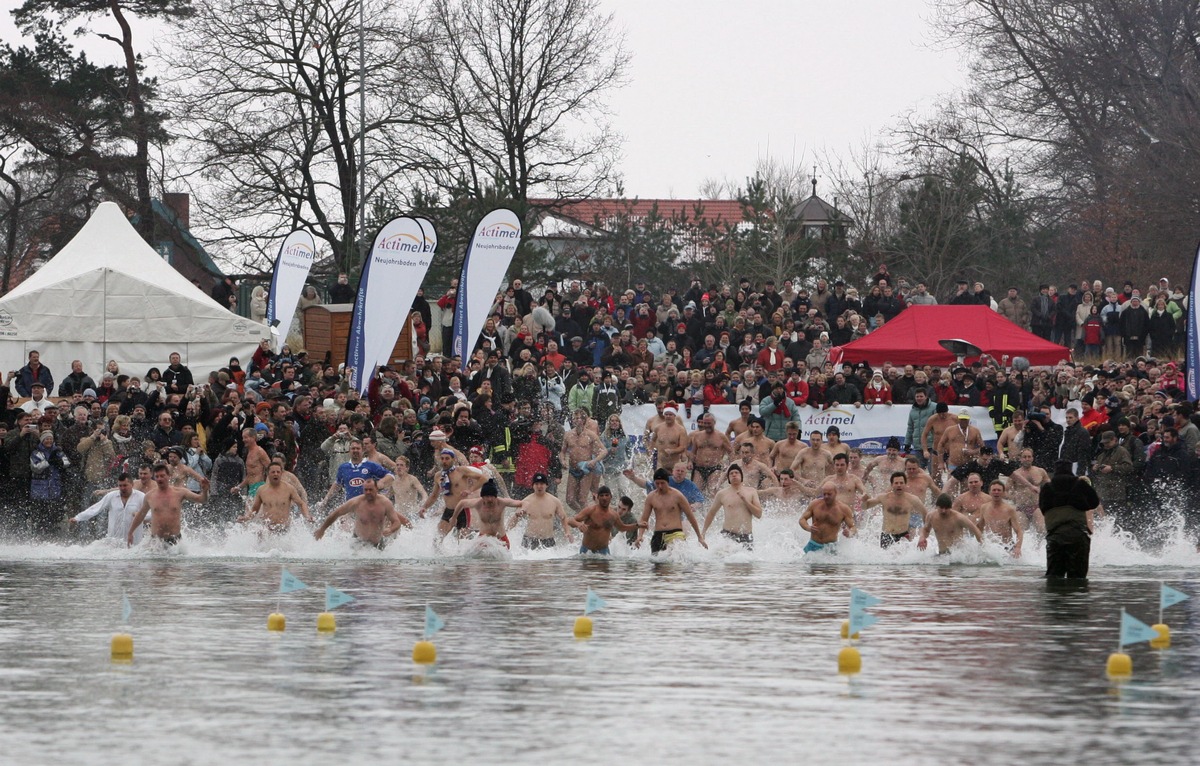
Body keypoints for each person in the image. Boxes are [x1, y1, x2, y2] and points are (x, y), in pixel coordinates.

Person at [1034, 461, 1100, 579]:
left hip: (1055, 535)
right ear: (1070, 469)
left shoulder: (1047, 487)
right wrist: (1081, 505)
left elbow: (1043, 507)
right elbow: (1094, 502)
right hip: (1078, 535)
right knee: (1078, 579)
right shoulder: (1080, 484)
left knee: (1054, 578)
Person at [127, 462, 210, 546]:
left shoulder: (180, 492)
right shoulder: (149, 496)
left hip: (175, 541)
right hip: (156, 541)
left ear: (169, 476)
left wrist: (205, 491)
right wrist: (130, 533)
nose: (159, 479)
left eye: (162, 476)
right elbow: (141, 515)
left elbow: (202, 500)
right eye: (157, 476)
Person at [314, 477, 410, 549]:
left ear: (376, 489)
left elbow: (397, 522)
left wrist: (390, 529)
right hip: (358, 542)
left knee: (380, 573)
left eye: (370, 489)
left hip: (378, 543)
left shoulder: (385, 503)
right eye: (366, 490)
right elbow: (335, 514)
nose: (368, 492)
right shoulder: (356, 502)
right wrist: (322, 529)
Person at [636, 468, 708, 553]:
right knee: (657, 563)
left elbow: (690, 516)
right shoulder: (651, 497)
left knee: (674, 560)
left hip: (675, 533)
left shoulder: (677, 495)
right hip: (658, 534)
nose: (660, 486)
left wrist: (699, 537)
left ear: (668, 482)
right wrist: (640, 536)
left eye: (662, 483)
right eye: (657, 483)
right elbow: (644, 519)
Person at [420, 449, 485, 536]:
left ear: (453, 459)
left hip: (463, 510)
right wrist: (424, 507)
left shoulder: (461, 471)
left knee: (461, 540)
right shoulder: (438, 476)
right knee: (438, 538)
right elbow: (434, 495)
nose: (444, 461)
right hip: (448, 510)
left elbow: (483, 478)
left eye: (447, 458)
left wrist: (470, 490)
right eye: (442, 458)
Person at [69, 472, 147, 544]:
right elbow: (95, 508)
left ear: (132, 484)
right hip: (114, 541)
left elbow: (151, 513)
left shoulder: (141, 496)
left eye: (125, 485)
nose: (122, 488)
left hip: (135, 542)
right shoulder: (111, 496)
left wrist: (141, 515)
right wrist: (78, 518)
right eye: (120, 485)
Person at [237, 462, 313, 533]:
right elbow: (254, 509)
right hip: (268, 530)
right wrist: (246, 518)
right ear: (268, 474)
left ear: (281, 474)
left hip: (284, 530)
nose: (275, 474)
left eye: (278, 472)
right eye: (273, 472)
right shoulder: (261, 490)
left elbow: (301, 504)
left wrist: (307, 516)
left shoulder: (289, 488)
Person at [568, 485, 644, 555]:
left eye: (607, 495)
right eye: (602, 495)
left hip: (604, 551)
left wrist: (638, 525)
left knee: (606, 570)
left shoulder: (613, 514)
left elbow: (622, 527)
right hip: (587, 551)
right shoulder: (590, 510)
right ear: (598, 497)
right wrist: (579, 525)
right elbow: (570, 520)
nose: (604, 498)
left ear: (611, 497)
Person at [445, 479, 522, 547]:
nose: (490, 499)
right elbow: (462, 503)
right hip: (483, 539)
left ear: (495, 496)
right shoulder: (478, 503)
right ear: (482, 497)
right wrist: (454, 518)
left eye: (492, 496)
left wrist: (519, 510)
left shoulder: (502, 502)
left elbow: (522, 503)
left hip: (501, 538)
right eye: (487, 497)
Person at [701, 464, 763, 548]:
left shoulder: (751, 492)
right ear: (728, 479)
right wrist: (703, 532)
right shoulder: (722, 494)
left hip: (746, 536)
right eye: (731, 473)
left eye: (736, 472)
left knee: (746, 560)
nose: (734, 474)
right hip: (727, 535)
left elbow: (758, 514)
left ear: (741, 476)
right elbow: (712, 513)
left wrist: (745, 501)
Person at [508, 473, 574, 549]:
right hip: (529, 540)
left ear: (546, 485)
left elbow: (563, 517)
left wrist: (567, 532)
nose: (539, 486)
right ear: (533, 485)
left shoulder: (555, 501)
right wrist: (505, 533)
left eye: (542, 484)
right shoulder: (526, 501)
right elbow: (515, 519)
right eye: (536, 484)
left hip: (548, 540)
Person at [861, 472, 927, 547]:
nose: (899, 485)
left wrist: (923, 535)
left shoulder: (912, 499)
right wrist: (864, 501)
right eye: (896, 483)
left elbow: (926, 515)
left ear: (905, 484)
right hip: (886, 535)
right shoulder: (884, 498)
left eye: (901, 483)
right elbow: (865, 507)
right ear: (892, 484)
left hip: (903, 536)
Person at [917, 493, 983, 554]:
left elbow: (975, 530)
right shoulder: (931, 516)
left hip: (957, 556)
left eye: (946, 508)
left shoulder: (959, 518)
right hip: (942, 555)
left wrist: (982, 547)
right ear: (937, 506)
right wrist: (922, 537)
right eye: (941, 508)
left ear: (950, 507)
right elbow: (926, 530)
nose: (943, 511)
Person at [799, 485, 856, 553]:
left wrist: (849, 533)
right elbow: (802, 519)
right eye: (824, 494)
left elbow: (853, 527)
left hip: (830, 547)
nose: (826, 496)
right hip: (813, 544)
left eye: (829, 494)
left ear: (835, 493)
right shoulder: (815, 504)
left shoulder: (844, 509)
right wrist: (808, 527)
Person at [978, 480, 1024, 555]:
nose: (996, 492)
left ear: (1003, 493)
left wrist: (1018, 547)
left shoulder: (1009, 509)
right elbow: (980, 527)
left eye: (999, 490)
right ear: (989, 492)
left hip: (1007, 546)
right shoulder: (984, 507)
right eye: (994, 490)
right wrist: (977, 544)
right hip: (991, 546)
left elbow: (1019, 531)